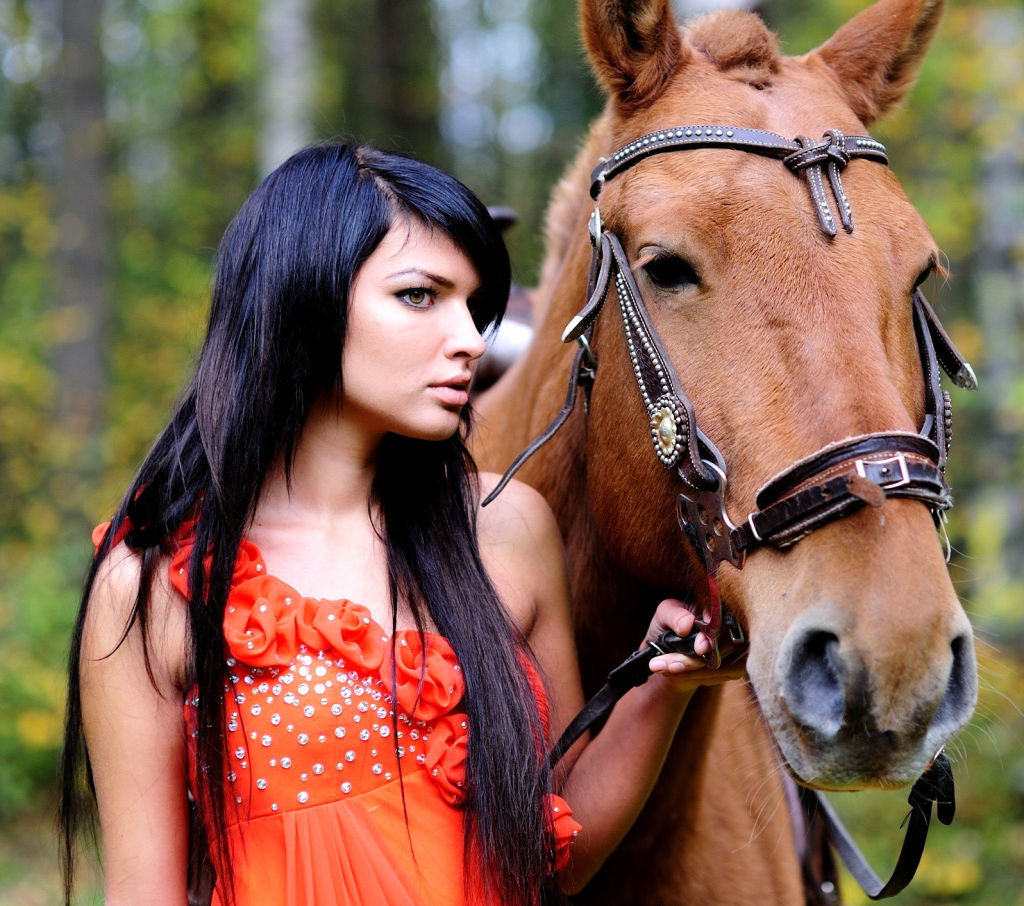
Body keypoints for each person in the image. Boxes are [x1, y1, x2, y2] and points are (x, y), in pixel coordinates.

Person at [58, 142, 722, 906]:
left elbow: (555, 854)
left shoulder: (505, 530)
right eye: (419, 295)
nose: (471, 339)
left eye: (474, 306)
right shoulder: (153, 589)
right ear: (300, 293)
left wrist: (660, 689)